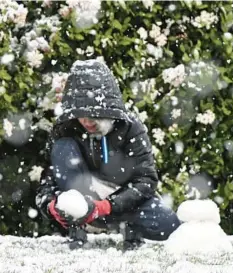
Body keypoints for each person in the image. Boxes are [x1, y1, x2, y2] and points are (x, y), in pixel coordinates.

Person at [36, 59, 180, 249]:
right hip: (83, 197)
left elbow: (146, 181)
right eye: (81, 114)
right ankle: (78, 226)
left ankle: (129, 227)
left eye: (94, 114)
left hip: (123, 203)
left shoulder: (131, 128)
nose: (87, 121)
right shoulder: (65, 129)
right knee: (63, 148)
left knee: (169, 224)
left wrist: (105, 206)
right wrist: (52, 207)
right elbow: (48, 182)